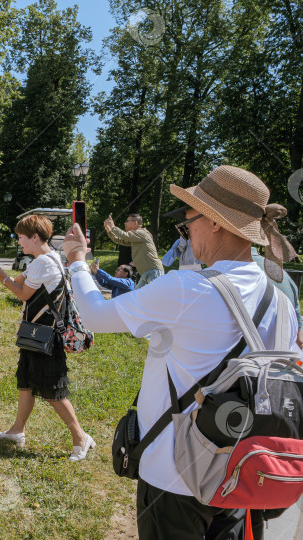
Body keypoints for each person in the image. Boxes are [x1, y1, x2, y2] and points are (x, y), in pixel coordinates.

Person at [63, 165, 301, 539]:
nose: (186, 233)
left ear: (215, 222)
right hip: (239, 475)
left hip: (173, 476)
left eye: (187, 222)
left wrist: (77, 261)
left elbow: (94, 314)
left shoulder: (187, 287)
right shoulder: (282, 301)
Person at [0, 214, 94, 460]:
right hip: (36, 334)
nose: (19, 243)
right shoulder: (45, 259)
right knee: (26, 383)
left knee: (52, 391)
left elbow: (22, 293)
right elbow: (16, 282)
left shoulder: (43, 263)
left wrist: (2, 278)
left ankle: (81, 437)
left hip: (45, 337)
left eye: (22, 238)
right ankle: (17, 431)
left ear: (35, 237)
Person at [251, 247, 303, 349]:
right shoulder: (285, 277)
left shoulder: (224, 274)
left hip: (240, 361)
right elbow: (299, 337)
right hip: (279, 360)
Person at [104, 213, 164, 288]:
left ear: (135, 223)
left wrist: (113, 226)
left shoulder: (142, 233)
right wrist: (109, 230)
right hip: (146, 273)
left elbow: (124, 235)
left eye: (127, 221)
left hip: (153, 271)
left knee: (154, 297)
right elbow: (118, 240)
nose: (124, 223)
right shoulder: (136, 237)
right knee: (137, 297)